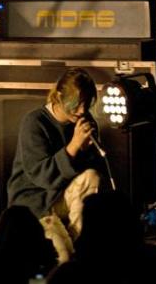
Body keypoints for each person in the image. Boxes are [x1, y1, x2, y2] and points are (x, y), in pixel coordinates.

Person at [6, 68, 107, 263]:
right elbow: (41, 176)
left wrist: (86, 150)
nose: (81, 110)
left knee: (92, 176)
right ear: (59, 97)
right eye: (76, 104)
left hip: (63, 198)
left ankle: (79, 241)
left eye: (86, 104)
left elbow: (94, 172)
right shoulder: (35, 122)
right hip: (37, 203)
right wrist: (73, 147)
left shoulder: (83, 120)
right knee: (64, 257)